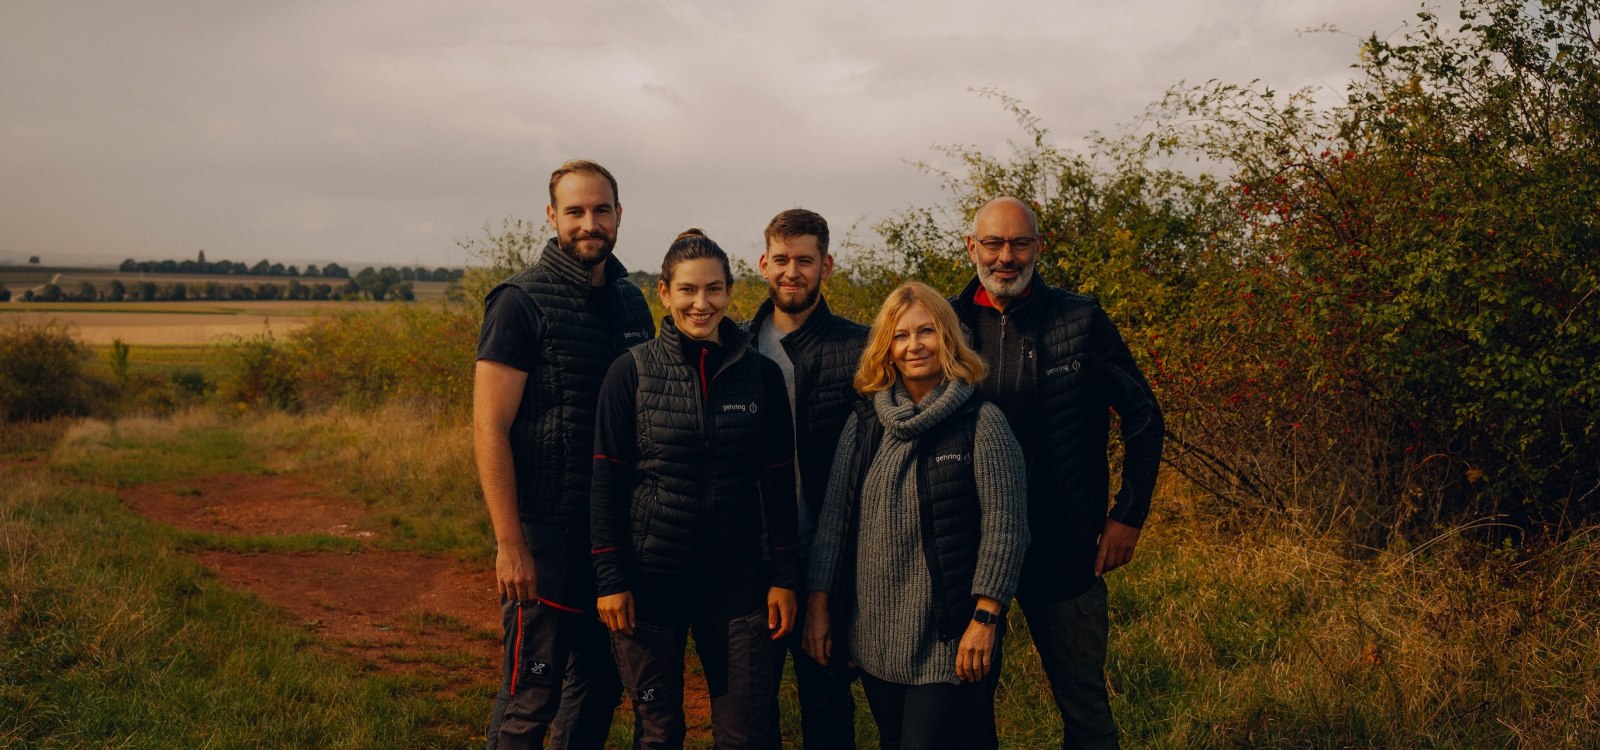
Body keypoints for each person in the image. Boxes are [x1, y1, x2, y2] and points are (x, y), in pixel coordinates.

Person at [951, 197, 1164, 750]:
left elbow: (1143, 415)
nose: (1005, 257)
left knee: (1084, 706)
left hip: (1064, 543)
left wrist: (1128, 515)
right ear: (972, 247)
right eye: (993, 243)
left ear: (1038, 247)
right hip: (971, 549)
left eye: (1019, 243)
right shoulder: (947, 324)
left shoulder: (1081, 319)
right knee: (966, 708)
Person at [590, 229, 801, 750]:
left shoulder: (761, 376)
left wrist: (784, 576)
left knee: (745, 732)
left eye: (713, 289)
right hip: (651, 580)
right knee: (658, 729)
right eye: (687, 289)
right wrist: (611, 577)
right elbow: (606, 481)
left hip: (738, 582)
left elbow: (778, 482)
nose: (700, 303)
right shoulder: (630, 372)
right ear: (665, 293)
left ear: (730, 292)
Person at [474, 160, 655, 748]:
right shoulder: (518, 302)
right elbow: (489, 428)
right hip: (545, 533)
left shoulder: (632, 304)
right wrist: (510, 544)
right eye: (575, 211)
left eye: (601, 210)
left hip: (612, 536)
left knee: (599, 687)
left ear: (619, 215)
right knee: (531, 693)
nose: (589, 223)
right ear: (552, 217)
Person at [804, 281, 1029, 750]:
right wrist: (820, 607)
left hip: (951, 640)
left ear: (947, 337)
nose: (914, 345)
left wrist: (985, 620)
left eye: (926, 331)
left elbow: (1006, 531)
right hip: (876, 637)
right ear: (886, 347)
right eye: (900, 335)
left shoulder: (982, 422)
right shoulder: (865, 422)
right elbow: (834, 523)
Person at [742, 209, 868, 750]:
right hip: (753, 557)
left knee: (826, 701)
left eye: (805, 261)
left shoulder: (860, 348)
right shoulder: (737, 346)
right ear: (763, 263)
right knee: (750, 709)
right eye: (781, 260)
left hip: (828, 558)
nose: (791, 272)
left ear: (826, 266)